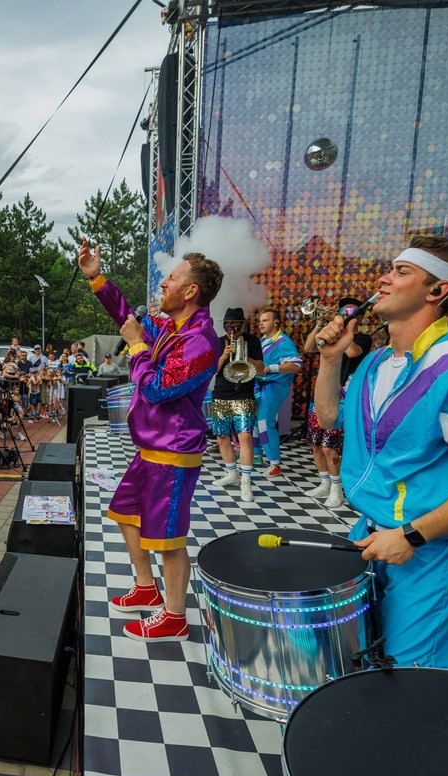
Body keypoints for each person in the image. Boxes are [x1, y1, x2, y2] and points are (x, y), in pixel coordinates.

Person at [312, 235, 448, 668]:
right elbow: (330, 417)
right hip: (373, 532)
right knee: (364, 663)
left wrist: (412, 534)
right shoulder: (373, 362)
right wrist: (331, 359)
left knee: (409, 675)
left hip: (434, 547)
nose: (384, 278)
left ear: (438, 290)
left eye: (401, 271)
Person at [78, 238, 222, 642]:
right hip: (150, 449)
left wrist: (138, 347)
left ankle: (174, 617)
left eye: (172, 278)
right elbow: (127, 316)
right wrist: (96, 278)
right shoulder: (173, 327)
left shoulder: (200, 340)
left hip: (173, 452)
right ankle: (145, 586)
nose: (163, 283)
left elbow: (158, 388)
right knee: (125, 514)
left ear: (191, 291)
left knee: (167, 537)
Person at [301, 297, 373, 508]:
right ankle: (324, 482)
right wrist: (321, 324)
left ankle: (336, 489)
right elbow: (308, 347)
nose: (343, 315)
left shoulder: (364, 338)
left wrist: (342, 329)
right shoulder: (329, 335)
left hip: (344, 398)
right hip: (323, 397)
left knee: (329, 447)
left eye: (348, 312)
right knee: (315, 444)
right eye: (342, 312)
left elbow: (351, 351)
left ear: (357, 318)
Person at [210, 307, 264, 502]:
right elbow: (212, 371)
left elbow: (261, 370)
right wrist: (224, 355)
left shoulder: (253, 341)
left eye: (235, 325)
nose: (231, 328)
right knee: (222, 436)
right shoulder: (217, 342)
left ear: (242, 324)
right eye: (228, 325)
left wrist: (244, 355)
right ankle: (232, 473)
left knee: (245, 437)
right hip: (221, 395)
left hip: (244, 395)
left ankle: (246, 481)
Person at [253, 307, 302, 477]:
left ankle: (275, 464)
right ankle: (256, 456)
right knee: (254, 421)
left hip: (275, 387)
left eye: (265, 320)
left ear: (276, 322)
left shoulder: (283, 342)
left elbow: (296, 366)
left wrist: (270, 368)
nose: (261, 323)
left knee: (264, 422)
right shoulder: (262, 341)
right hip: (260, 386)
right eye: (260, 321)